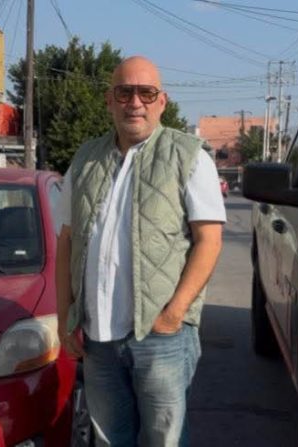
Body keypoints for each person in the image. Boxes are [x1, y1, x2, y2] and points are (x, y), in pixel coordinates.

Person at [54, 56, 226, 447]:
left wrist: (174, 313)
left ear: (161, 101)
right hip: (98, 338)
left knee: (164, 439)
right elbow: (67, 241)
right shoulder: (85, 159)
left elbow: (209, 241)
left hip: (162, 336)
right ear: (109, 100)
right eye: (124, 92)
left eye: (146, 93)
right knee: (109, 438)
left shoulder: (188, 156)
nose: (135, 102)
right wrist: (66, 319)